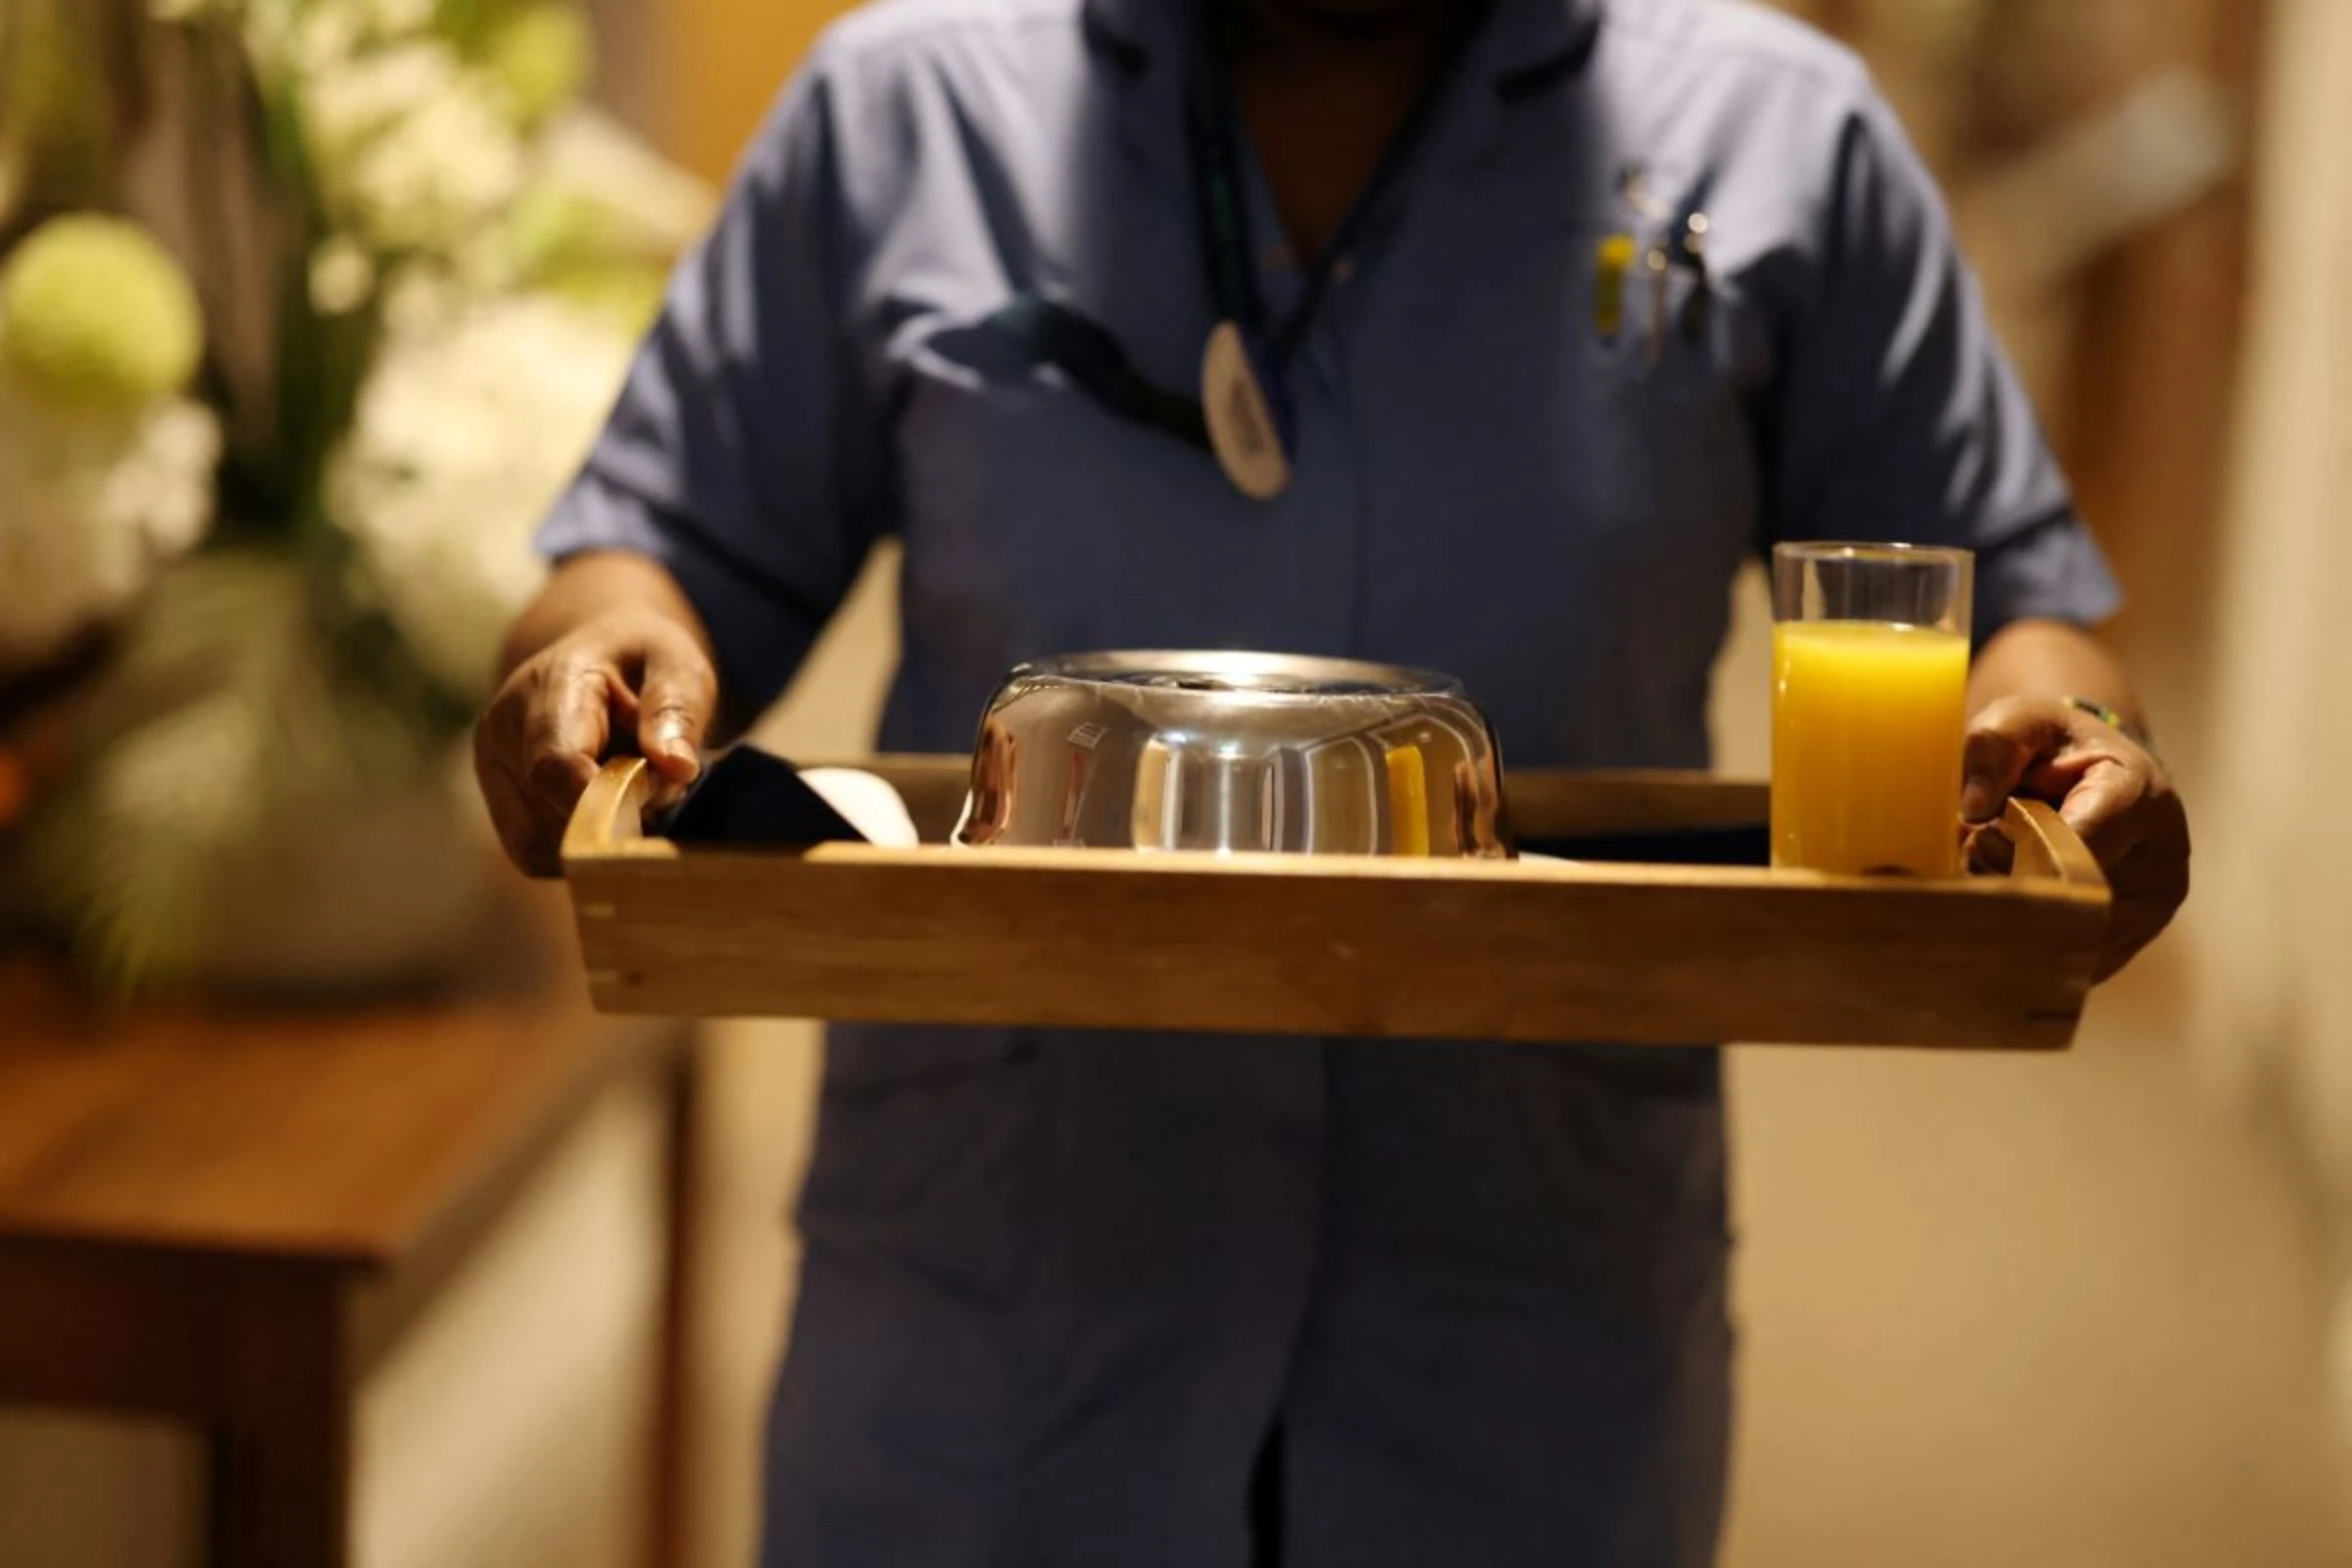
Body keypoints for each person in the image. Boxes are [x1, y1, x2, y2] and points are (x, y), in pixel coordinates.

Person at [476, 0, 2191, 1561]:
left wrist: (2072, 743)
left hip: (1525, 1350)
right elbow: (652, 555)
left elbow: (2017, 614)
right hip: (986, 1351)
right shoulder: (903, 113)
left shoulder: (1782, 144)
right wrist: (592, 657)